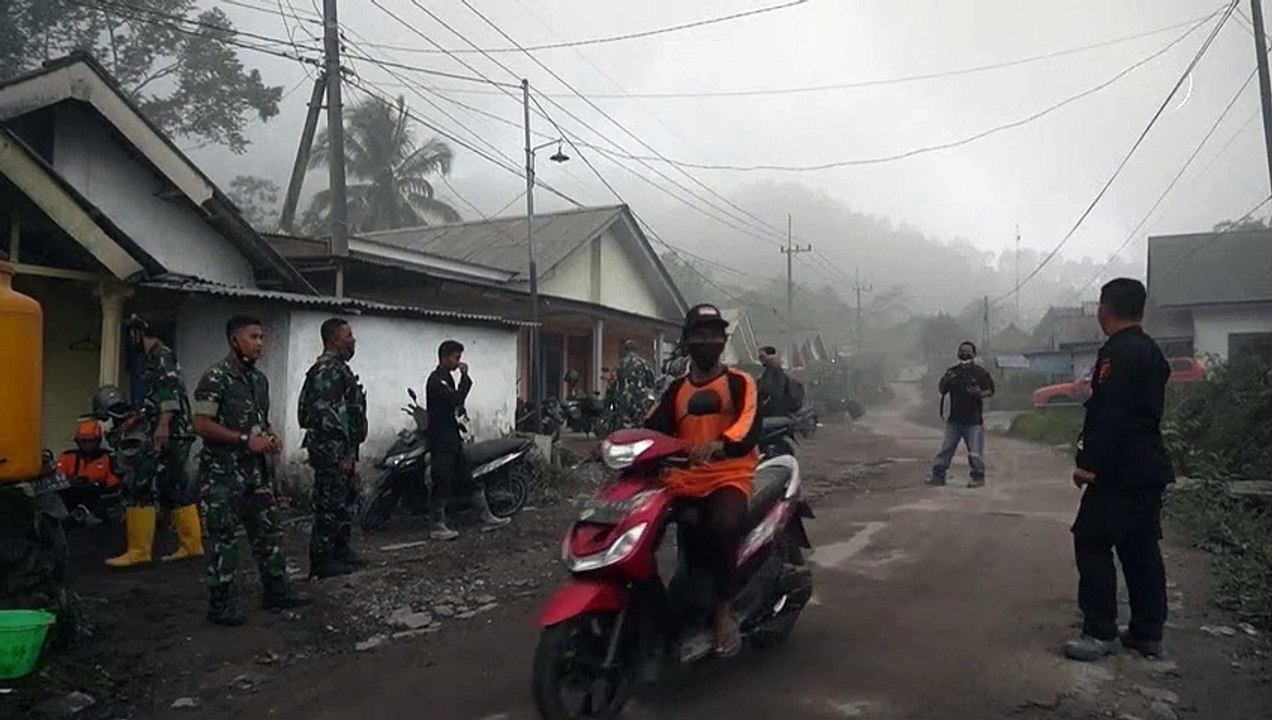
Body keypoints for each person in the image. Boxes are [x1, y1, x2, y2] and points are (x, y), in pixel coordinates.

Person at [1063, 278, 1174, 662]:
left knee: (1091, 540)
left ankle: (1100, 631)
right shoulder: (1149, 350)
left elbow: (1111, 414)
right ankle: (1147, 632)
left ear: (1104, 309)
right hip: (1148, 465)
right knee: (1140, 547)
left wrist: (1089, 465)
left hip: (1119, 469)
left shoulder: (1119, 354)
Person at [644, 304, 760, 657]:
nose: (707, 340)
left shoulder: (740, 382)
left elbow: (748, 425)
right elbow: (652, 427)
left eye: (714, 334)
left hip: (729, 475)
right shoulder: (676, 389)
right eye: (699, 334)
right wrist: (617, 445)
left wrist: (719, 446)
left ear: (724, 340)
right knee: (647, 529)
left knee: (724, 526)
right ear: (686, 340)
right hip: (684, 479)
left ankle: (724, 611)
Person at [192, 315, 309, 626]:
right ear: (234, 340)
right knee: (223, 538)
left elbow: (258, 420)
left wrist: (270, 437)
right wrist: (245, 440)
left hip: (254, 474)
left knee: (268, 532)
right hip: (222, 474)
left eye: (262, 337)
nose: (260, 343)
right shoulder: (215, 378)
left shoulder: (259, 381)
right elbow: (201, 425)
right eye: (254, 337)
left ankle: (276, 590)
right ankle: (221, 604)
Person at [106, 314, 203, 567]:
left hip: (169, 431)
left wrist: (162, 426)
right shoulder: (154, 357)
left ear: (141, 332)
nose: (131, 339)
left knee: (141, 481)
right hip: (171, 429)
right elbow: (157, 397)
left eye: (132, 333)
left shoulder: (161, 355)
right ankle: (191, 544)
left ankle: (139, 550)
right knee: (174, 486)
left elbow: (169, 393)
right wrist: (138, 417)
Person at [298, 318, 368, 579]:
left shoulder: (340, 369)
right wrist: (343, 454)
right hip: (332, 451)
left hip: (342, 449)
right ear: (333, 339)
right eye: (348, 335)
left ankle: (340, 551)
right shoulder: (327, 370)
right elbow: (326, 417)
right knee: (328, 504)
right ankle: (322, 560)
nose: (353, 340)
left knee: (345, 501)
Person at [425, 340, 510, 541]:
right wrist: (465, 378)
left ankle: (486, 517)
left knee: (467, 479)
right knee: (441, 482)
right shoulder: (436, 380)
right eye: (456, 357)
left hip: (452, 438)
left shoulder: (447, 378)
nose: (459, 362)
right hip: (441, 440)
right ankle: (437, 525)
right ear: (445, 358)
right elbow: (456, 399)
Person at [927, 341, 996, 488]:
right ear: (958, 353)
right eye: (962, 351)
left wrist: (979, 393)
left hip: (974, 420)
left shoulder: (980, 372)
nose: (965, 353)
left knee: (975, 452)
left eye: (968, 351)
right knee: (946, 449)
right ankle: (938, 476)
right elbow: (942, 389)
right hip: (955, 420)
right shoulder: (952, 372)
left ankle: (977, 478)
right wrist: (947, 380)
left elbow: (990, 390)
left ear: (974, 354)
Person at [56, 417, 120, 488]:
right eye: (84, 441)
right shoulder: (67, 456)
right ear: (78, 441)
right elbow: (57, 478)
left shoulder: (107, 457)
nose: (87, 445)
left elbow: (115, 479)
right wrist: (69, 481)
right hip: (70, 494)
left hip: (98, 494)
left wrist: (98, 483)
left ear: (98, 440)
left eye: (91, 441)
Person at [609, 338, 657, 428]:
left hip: (623, 402)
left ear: (626, 349)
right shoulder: (644, 364)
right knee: (639, 428)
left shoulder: (619, 365)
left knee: (624, 429)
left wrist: (610, 401)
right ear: (636, 349)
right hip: (640, 401)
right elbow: (651, 383)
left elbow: (612, 384)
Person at [757, 345, 804, 417]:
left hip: (778, 413)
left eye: (762, 356)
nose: (760, 359)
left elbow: (768, 390)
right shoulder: (764, 374)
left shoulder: (775, 374)